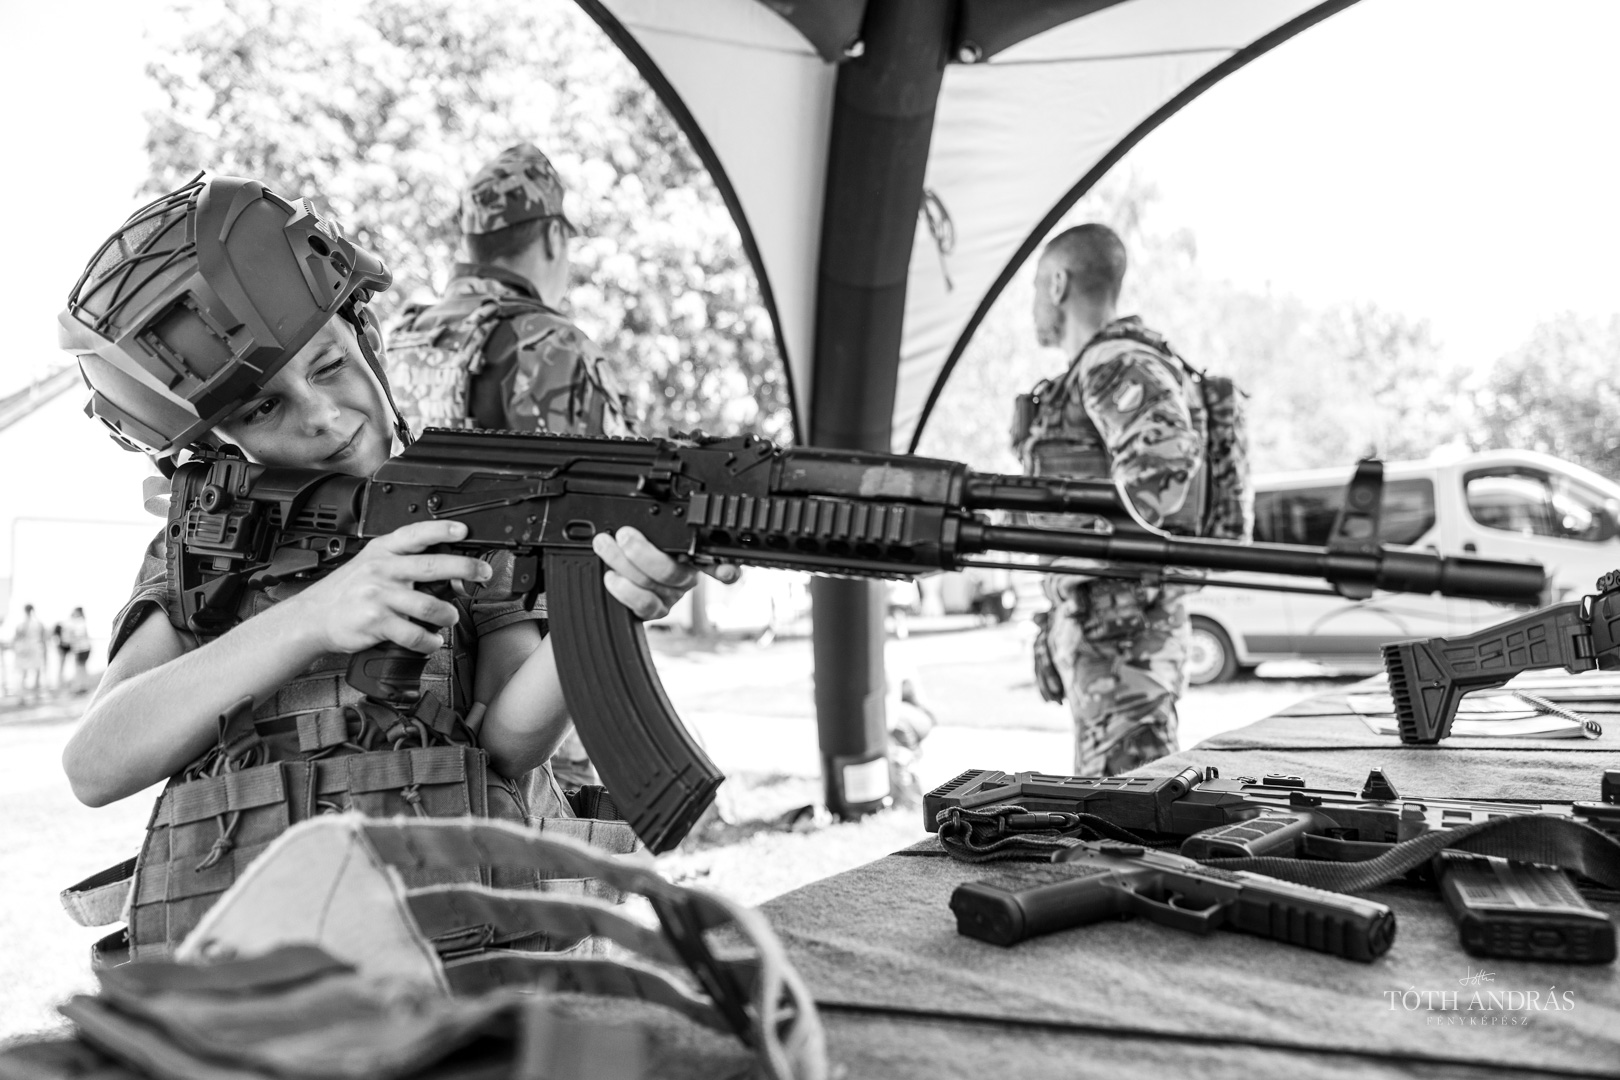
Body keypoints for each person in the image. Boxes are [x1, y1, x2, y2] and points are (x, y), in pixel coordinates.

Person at [55, 173, 726, 958]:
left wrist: (610, 603)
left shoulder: (469, 503)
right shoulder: (211, 546)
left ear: (368, 339)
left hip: (469, 953)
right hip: (272, 978)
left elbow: (509, 746)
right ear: (212, 449)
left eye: (328, 366)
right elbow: (95, 764)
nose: (323, 417)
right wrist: (313, 617)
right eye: (264, 408)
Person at [386, 142, 631, 789]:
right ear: (552, 236)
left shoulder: (396, 339)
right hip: (531, 678)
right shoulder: (554, 346)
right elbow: (621, 524)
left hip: (418, 663)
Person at [1015, 223, 1207, 776]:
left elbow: (1164, 465)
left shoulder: (1113, 363)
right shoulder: (1093, 369)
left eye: (1036, 288)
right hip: (1109, 633)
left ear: (1058, 284)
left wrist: (1079, 573)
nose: (1034, 306)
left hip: (1126, 638)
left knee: (1129, 809)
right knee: (1111, 801)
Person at [11, 605, 47, 705]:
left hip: (24, 650)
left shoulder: (21, 624)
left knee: (23, 673)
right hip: (35, 648)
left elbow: (16, 639)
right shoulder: (38, 624)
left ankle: (22, 696)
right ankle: (36, 694)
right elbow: (43, 639)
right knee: (37, 671)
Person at [64, 607, 93, 694]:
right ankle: (84, 686)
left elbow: (75, 635)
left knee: (79, 668)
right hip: (85, 648)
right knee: (83, 667)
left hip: (80, 649)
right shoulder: (82, 621)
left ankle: (80, 687)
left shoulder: (78, 623)